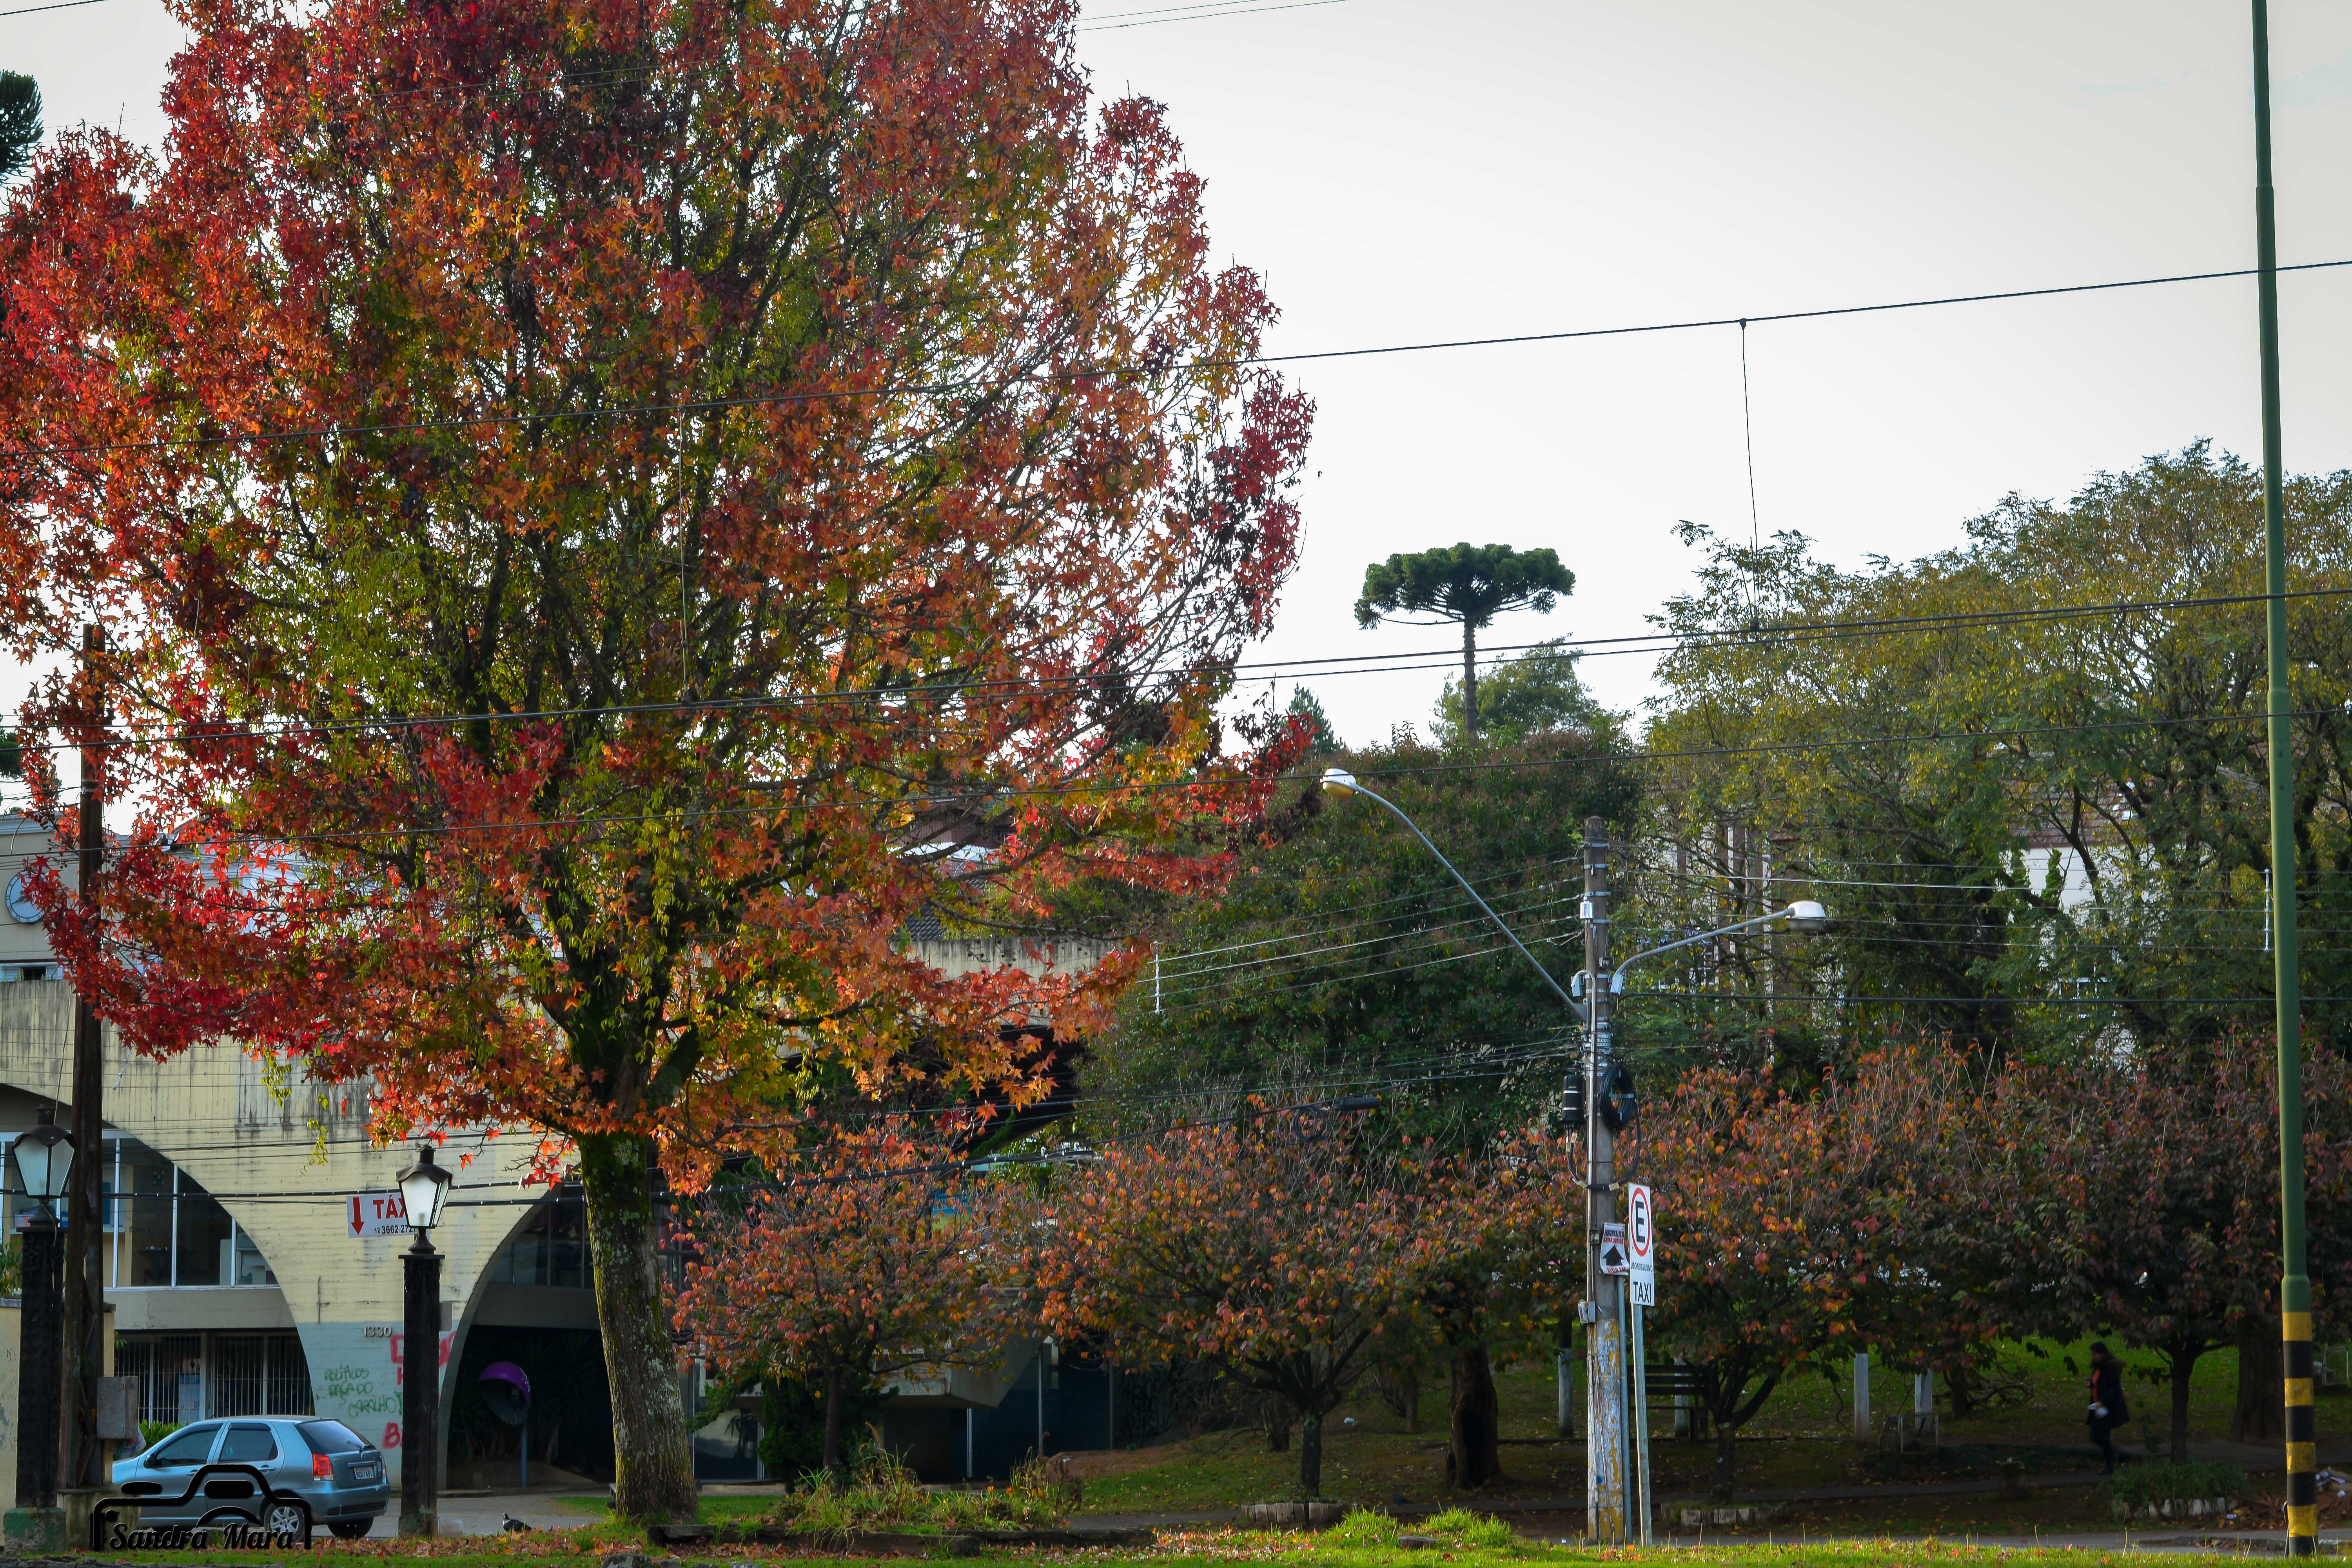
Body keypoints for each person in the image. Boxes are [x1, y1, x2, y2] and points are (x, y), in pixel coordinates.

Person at [2087, 1342, 2131, 1473]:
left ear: (2102, 1354)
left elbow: (2115, 1388)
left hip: (2107, 1408)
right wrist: (2090, 1383)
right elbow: (2098, 1382)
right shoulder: (2098, 1367)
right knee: (2097, 1436)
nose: (2093, 1357)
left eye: (2095, 1354)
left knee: (2102, 1435)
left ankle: (2110, 1465)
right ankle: (2113, 1459)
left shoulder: (2109, 1368)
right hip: (2097, 1406)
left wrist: (2103, 1401)